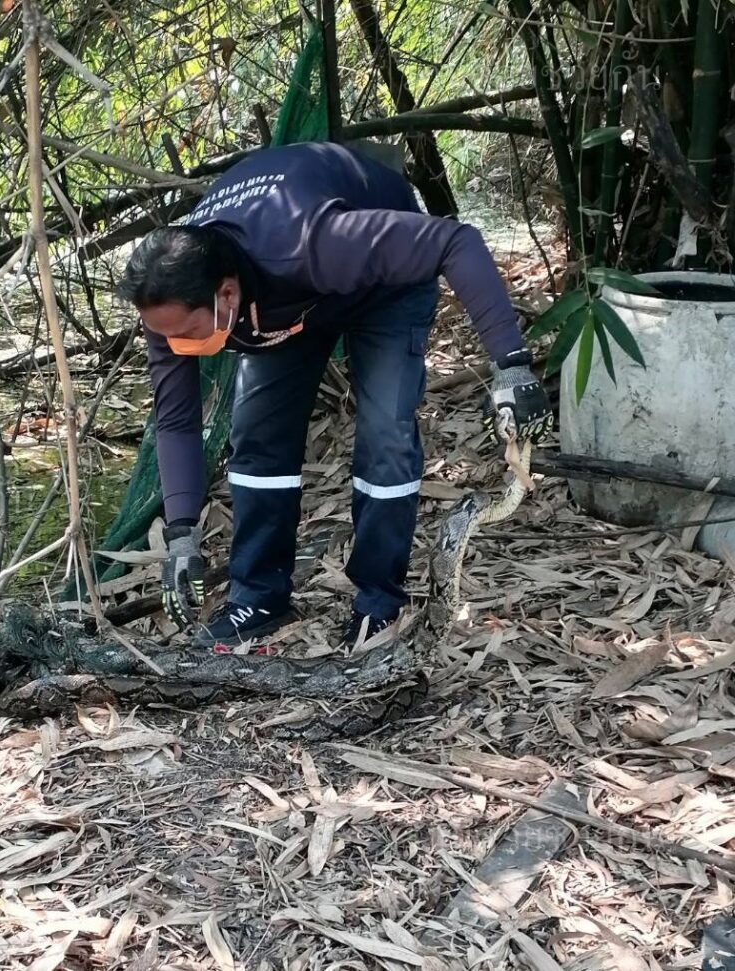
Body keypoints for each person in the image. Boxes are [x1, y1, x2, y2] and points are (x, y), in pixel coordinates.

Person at [116, 141, 552, 650]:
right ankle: (258, 598)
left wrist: (512, 366)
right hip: (285, 306)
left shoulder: (311, 242)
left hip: (383, 287)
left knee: (385, 435)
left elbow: (455, 241)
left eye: (187, 333)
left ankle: (377, 604)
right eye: (165, 335)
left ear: (226, 295)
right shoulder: (168, 303)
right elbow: (176, 420)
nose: (177, 346)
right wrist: (182, 534)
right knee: (258, 438)